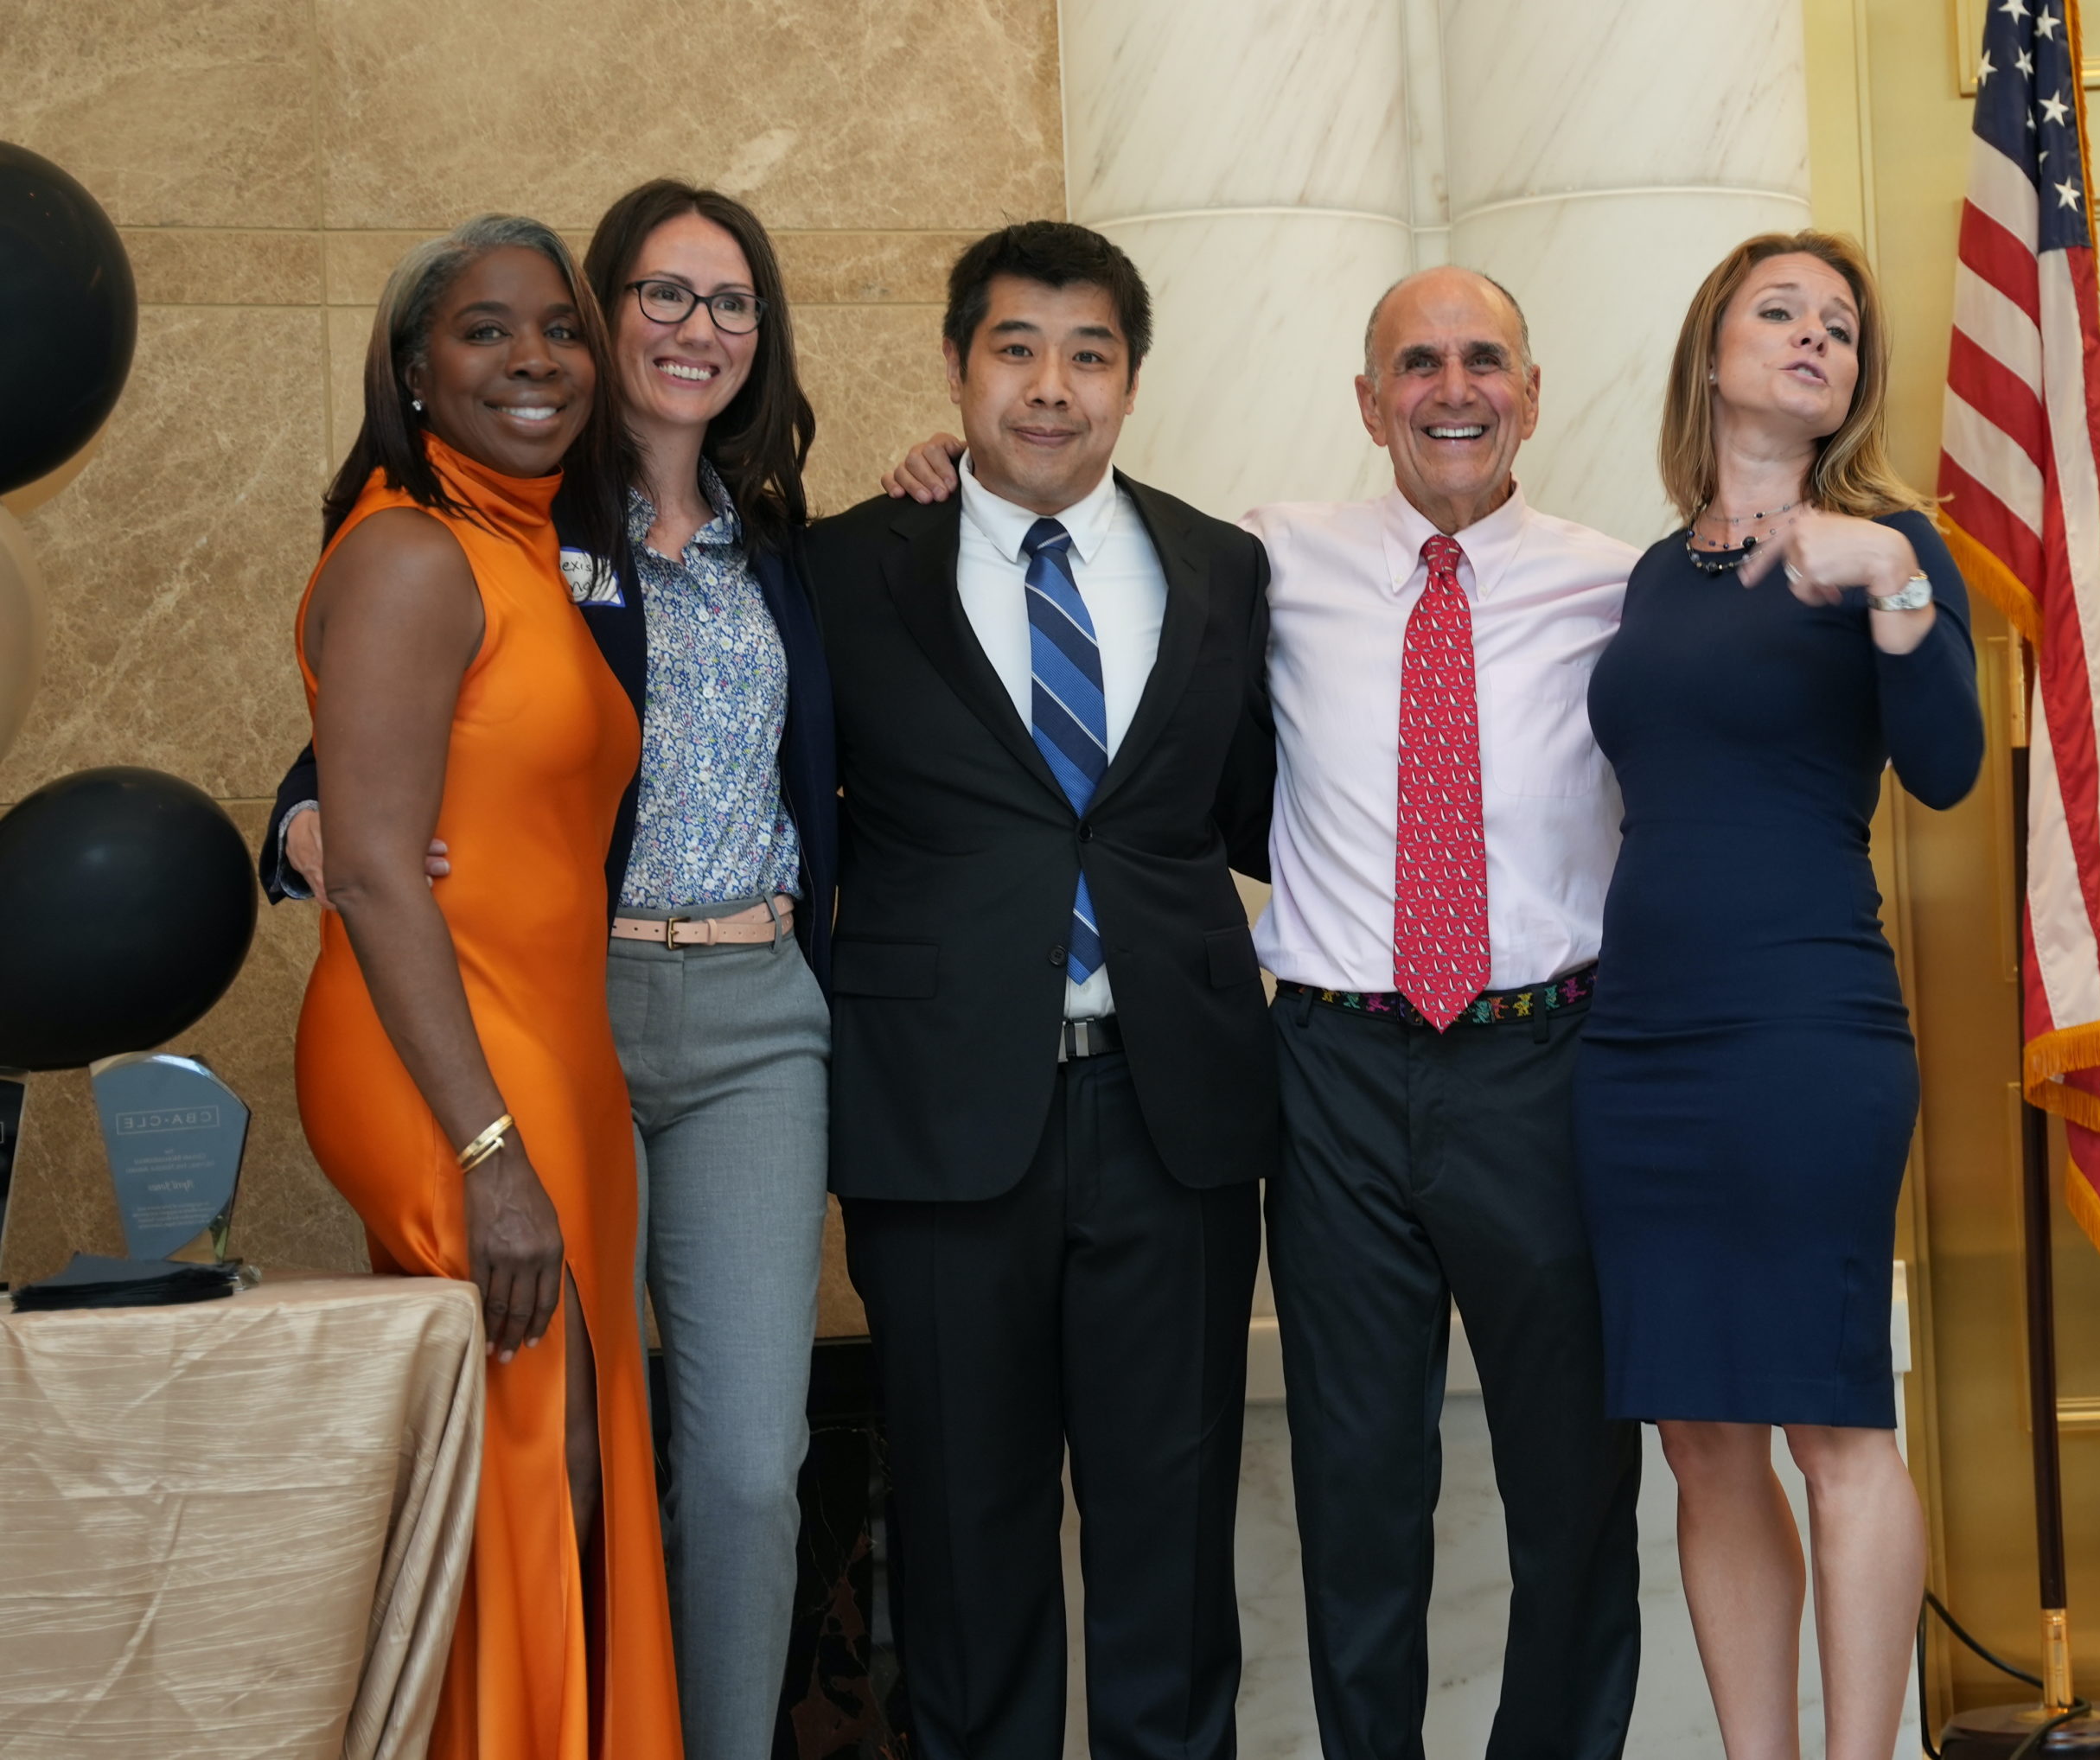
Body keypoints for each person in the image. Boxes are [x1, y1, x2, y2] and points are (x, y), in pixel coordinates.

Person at [885, 263, 1646, 1760]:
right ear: (1368, 403)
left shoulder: (1623, 587)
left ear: (1533, 393)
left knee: (1575, 1487)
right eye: (1415, 363)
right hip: (1331, 1069)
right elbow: (1063, 533)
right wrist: (941, 474)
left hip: (1545, 1064)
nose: (1452, 388)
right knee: (1361, 1488)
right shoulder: (1256, 562)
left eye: (1484, 358)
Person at [263, 179, 836, 1760]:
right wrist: (311, 827)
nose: (691, 329)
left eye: (731, 303)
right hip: (537, 1017)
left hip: (742, 1019)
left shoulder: (782, 546)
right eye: (657, 294)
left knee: (728, 1467)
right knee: (541, 1435)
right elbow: (371, 756)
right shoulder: (506, 508)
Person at [812, 220, 1275, 1760]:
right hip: (939, 1119)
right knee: (963, 1548)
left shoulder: (1223, 566)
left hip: (1176, 1113)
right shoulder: (842, 568)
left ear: (1133, 382)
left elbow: (1275, 811)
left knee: (1170, 1548)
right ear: (957, 368)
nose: (1051, 388)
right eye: (1016, 349)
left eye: (1089, 355)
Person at [1573, 231, 1981, 1759]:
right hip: (1641, 1052)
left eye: (1843, 328)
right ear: (1713, 350)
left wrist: (1890, 584)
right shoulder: (1649, 574)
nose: (1819, 337)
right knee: (1702, 1437)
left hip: (1808, 1033)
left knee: (1836, 1424)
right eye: (1782, 311)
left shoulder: (1889, 546)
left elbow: (1943, 771)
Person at [290, 214, 681, 1759]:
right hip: (447, 1068)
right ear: (411, 368)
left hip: (550, 1054)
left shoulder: (517, 543)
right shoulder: (404, 550)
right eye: (484, 329)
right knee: (533, 1454)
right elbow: (377, 869)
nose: (535, 359)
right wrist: (486, 1153)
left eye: (561, 329)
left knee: (553, 1457)